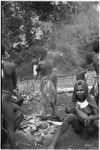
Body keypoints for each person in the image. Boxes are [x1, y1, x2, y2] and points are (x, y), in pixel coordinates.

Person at [48, 80, 99, 149]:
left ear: (86, 90)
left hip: (89, 127)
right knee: (70, 116)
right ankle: (53, 143)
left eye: (81, 90)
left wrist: (91, 118)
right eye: (77, 90)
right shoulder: (74, 100)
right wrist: (71, 110)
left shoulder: (90, 99)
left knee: (97, 122)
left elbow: (98, 115)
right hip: (79, 128)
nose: (79, 92)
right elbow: (68, 111)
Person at [1, 45, 23, 149]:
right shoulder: (10, 65)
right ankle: (12, 146)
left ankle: (3, 141)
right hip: (5, 98)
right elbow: (14, 83)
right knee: (10, 126)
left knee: (17, 109)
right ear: (4, 52)